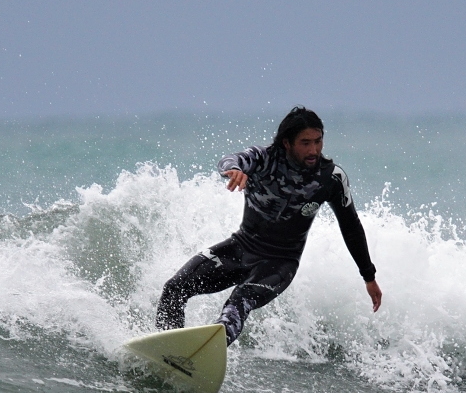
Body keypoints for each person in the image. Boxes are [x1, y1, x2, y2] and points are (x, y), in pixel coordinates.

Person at [156, 106, 382, 344]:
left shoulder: (332, 178)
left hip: (279, 264)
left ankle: (206, 350)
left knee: (238, 302)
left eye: (318, 141)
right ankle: (167, 348)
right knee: (174, 288)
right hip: (240, 248)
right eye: (305, 143)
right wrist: (234, 170)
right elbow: (230, 160)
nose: (313, 150)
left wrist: (369, 276)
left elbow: (351, 227)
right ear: (287, 143)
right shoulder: (263, 159)